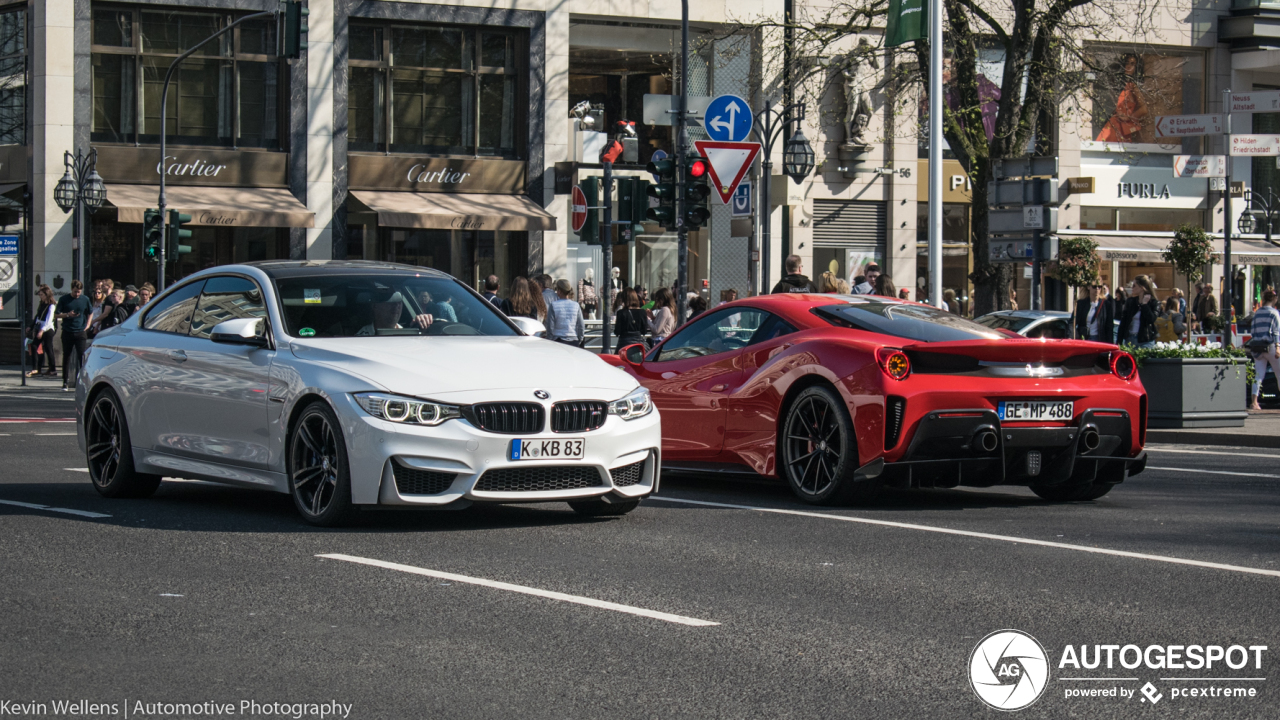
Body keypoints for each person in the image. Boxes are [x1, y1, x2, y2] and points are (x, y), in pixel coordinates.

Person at [1096, 54, 1149, 143]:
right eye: (1127, 63)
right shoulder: (1117, 84)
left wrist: (1129, 117)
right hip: (1112, 123)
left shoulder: (1133, 86)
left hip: (1123, 126)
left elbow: (1144, 109)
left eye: (1132, 64)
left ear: (1137, 68)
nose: (1128, 66)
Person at [55, 279, 92, 390]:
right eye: (75, 291)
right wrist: (67, 315)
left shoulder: (85, 299)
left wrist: (88, 324)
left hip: (80, 331)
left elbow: (90, 312)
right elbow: (56, 315)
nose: (77, 294)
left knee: (82, 356)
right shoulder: (64, 299)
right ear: (71, 289)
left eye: (79, 292)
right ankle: (65, 382)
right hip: (68, 331)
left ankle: (82, 381)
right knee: (67, 356)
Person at [1250, 290, 1280, 410]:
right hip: (1271, 346)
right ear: (1274, 299)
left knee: (1258, 375)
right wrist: (1278, 347)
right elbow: (1276, 332)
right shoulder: (1274, 313)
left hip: (1258, 347)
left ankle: (1254, 402)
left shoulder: (1257, 313)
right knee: (1279, 374)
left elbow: (1253, 331)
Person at [1117, 275, 1160, 347]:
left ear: (1142, 287)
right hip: (1130, 339)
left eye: (1134, 286)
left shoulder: (1154, 302)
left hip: (1146, 341)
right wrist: (1119, 341)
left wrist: (1145, 304)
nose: (1132, 288)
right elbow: (1124, 322)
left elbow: (1151, 319)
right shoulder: (1131, 301)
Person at [27, 285, 56, 377]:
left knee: (48, 348)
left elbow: (49, 320)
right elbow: (37, 316)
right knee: (34, 345)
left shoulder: (51, 306)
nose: (40, 297)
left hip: (47, 329)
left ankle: (53, 369)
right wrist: (31, 326)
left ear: (47, 295)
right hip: (40, 327)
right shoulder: (41, 304)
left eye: (42, 295)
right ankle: (36, 368)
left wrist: (42, 331)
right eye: (40, 295)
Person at [545, 279, 584, 345]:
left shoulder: (553, 305)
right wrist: (580, 338)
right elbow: (581, 325)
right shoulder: (576, 305)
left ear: (559, 291)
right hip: (573, 339)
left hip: (558, 339)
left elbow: (550, 326)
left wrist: (550, 339)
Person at [613, 288, 649, 352]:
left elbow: (617, 331)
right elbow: (644, 331)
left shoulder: (621, 312)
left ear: (624, 299)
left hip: (624, 344)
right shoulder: (642, 312)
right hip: (638, 344)